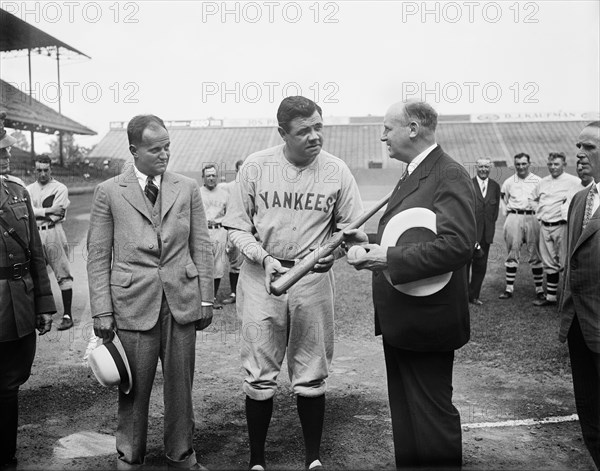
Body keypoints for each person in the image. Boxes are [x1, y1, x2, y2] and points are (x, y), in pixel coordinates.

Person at [223, 96, 363, 471]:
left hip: (312, 277)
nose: (315, 136)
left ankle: (313, 459)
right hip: (261, 275)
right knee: (259, 370)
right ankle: (256, 461)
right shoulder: (256, 166)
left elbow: (352, 231)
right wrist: (263, 258)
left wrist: (334, 254)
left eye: (319, 127)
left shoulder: (337, 170)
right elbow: (235, 225)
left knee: (312, 369)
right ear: (283, 133)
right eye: (304, 131)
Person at [345, 100, 476, 468]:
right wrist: (368, 239)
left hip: (427, 322)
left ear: (414, 128)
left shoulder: (449, 173)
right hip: (404, 320)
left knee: (430, 420)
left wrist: (386, 258)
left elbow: (457, 246)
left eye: (388, 127)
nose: (382, 135)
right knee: (407, 420)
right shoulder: (416, 170)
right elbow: (415, 234)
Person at [86, 114, 214, 469]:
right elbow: (97, 255)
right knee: (132, 389)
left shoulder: (187, 188)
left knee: (180, 388)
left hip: (181, 301)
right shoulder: (109, 191)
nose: (164, 154)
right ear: (133, 150)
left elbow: (201, 244)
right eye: (155, 148)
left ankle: (181, 454)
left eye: (167, 146)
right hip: (131, 304)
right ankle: (130, 457)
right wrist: (102, 310)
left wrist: (206, 297)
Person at [0, 111, 55, 468]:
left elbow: (36, 252)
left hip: (18, 301)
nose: (6, 155)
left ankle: (6, 453)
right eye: (0, 150)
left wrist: (44, 304)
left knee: (11, 380)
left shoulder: (18, 192)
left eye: (5, 149)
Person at [559, 121, 600, 468]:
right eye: (579, 148)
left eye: (589, 148)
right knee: (591, 414)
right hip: (578, 325)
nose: (580, 155)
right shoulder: (579, 199)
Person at [26, 154, 75, 330]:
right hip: (34, 234)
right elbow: (28, 212)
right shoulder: (28, 189)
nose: (42, 174)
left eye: (46, 170)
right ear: (35, 170)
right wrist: (46, 210)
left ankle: (68, 315)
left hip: (54, 233)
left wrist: (37, 212)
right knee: (33, 274)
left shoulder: (60, 188)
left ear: (51, 169)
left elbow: (57, 215)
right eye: (39, 170)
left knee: (63, 273)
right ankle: (37, 314)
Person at [530, 152, 581, 307]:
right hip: (545, 226)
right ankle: (551, 297)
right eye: (550, 164)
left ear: (564, 165)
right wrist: (539, 212)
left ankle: (570, 299)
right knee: (549, 262)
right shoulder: (543, 181)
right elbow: (532, 198)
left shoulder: (574, 181)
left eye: (556, 164)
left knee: (566, 262)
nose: (553, 167)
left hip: (562, 226)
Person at [498, 153, 543, 300]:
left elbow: (544, 199)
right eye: (518, 164)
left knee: (535, 253)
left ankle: (540, 289)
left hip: (533, 217)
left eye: (524, 164)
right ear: (514, 165)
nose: (521, 167)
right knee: (512, 251)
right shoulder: (509, 181)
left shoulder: (538, 181)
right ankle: (509, 288)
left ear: (529, 164)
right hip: (514, 216)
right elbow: (502, 199)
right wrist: (508, 214)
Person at [467, 158, 500, 306]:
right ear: (476, 167)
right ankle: (462, 295)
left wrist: (489, 230)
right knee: (465, 265)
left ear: (490, 168)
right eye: (480, 166)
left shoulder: (495, 186)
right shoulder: (468, 185)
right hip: (470, 234)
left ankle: (474, 295)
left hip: (486, 235)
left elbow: (495, 212)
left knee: (481, 266)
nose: (483, 170)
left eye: (486, 167)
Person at [199, 164, 229, 309]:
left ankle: (213, 298)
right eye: (208, 175)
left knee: (218, 266)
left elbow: (229, 216)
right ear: (203, 177)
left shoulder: (224, 194)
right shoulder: (197, 192)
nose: (211, 178)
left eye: (213, 175)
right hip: (202, 231)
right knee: (203, 265)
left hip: (219, 231)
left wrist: (229, 237)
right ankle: (202, 298)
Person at [221, 159, 244, 305]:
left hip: (249, 230)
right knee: (234, 263)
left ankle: (246, 294)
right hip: (232, 229)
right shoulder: (228, 187)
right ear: (236, 171)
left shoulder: (252, 186)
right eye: (240, 170)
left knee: (250, 263)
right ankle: (234, 292)